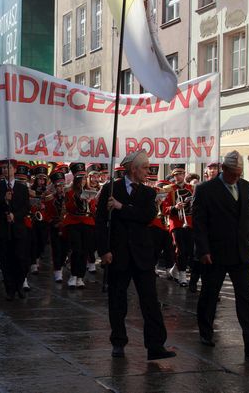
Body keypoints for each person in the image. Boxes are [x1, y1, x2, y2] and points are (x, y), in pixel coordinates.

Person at [95, 150, 176, 361]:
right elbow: (101, 221)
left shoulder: (148, 193)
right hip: (118, 253)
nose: (148, 171)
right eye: (145, 167)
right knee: (117, 300)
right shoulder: (111, 189)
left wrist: (122, 207)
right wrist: (103, 250)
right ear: (133, 169)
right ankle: (118, 342)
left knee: (150, 301)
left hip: (142, 253)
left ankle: (156, 345)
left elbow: (147, 216)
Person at [193, 150, 249, 357]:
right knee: (210, 295)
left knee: (245, 298)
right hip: (215, 252)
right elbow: (199, 223)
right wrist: (203, 250)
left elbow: (247, 218)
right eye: (233, 173)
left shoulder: (246, 186)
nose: (236, 178)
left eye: (239, 173)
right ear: (223, 169)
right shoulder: (205, 190)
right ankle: (206, 332)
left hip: (241, 252)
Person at [0, 160, 30, 300]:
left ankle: (19, 284)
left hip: (18, 228)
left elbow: (26, 207)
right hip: (2, 228)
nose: (5, 170)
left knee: (20, 258)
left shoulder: (22, 187)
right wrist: (4, 200)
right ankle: (10, 288)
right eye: (3, 168)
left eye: (8, 168)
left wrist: (15, 215)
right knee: (5, 260)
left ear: (14, 169)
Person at [62, 163, 96, 289]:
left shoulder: (90, 191)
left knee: (85, 250)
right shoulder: (69, 192)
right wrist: (78, 200)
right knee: (77, 250)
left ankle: (80, 277)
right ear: (76, 179)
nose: (82, 181)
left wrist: (89, 202)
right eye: (80, 178)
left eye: (84, 178)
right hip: (74, 222)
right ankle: (73, 275)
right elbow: (69, 208)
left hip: (87, 223)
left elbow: (92, 211)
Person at [162, 167, 194, 288]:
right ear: (173, 176)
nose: (179, 176)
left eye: (181, 174)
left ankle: (175, 269)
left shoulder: (192, 188)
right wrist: (175, 207)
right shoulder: (168, 189)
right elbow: (164, 209)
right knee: (180, 249)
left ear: (184, 174)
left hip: (189, 222)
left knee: (189, 249)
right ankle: (182, 274)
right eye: (176, 174)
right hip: (176, 223)